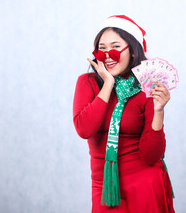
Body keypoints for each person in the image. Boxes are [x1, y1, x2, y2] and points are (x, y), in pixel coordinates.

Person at [73, 15, 175, 213]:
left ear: (133, 51)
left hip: (144, 183)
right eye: (101, 49)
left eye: (115, 47)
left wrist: (158, 111)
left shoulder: (146, 88)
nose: (108, 55)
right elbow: (84, 129)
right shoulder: (87, 83)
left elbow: (151, 156)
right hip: (105, 186)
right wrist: (108, 84)